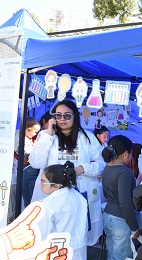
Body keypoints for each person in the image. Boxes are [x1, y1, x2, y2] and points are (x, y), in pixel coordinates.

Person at [29, 100, 106, 246]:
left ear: (75, 116)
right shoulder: (46, 136)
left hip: (79, 193)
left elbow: (102, 163)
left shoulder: (87, 138)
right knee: (47, 237)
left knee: (77, 237)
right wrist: (49, 135)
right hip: (51, 194)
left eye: (67, 116)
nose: (62, 119)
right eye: (58, 115)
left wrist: (82, 169)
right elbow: (36, 163)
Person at [39, 161, 88, 260]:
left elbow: (41, 235)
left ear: (56, 186)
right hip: (79, 251)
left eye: (43, 181)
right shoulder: (79, 197)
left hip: (58, 256)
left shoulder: (48, 204)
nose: (40, 185)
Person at [101, 135, 139, 260]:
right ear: (125, 154)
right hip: (120, 220)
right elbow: (125, 203)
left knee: (113, 258)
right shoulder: (124, 172)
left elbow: (107, 195)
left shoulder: (106, 169)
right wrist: (134, 227)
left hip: (108, 215)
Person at [9, 118, 41, 223]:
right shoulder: (20, 139)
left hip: (17, 175)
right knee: (17, 202)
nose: (36, 134)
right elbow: (24, 158)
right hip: (15, 176)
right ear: (28, 130)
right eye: (35, 132)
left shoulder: (21, 135)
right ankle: (15, 221)